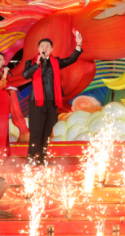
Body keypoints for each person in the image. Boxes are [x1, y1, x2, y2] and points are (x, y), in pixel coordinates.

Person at [22, 30, 82, 164]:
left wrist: (78, 45)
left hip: (53, 100)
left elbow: (71, 59)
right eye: (42, 46)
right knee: (36, 131)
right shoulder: (31, 62)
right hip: (36, 101)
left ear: (52, 49)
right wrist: (37, 64)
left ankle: (42, 158)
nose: (44, 48)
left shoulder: (56, 62)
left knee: (47, 131)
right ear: (38, 49)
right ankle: (30, 159)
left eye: (47, 46)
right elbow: (25, 75)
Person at [0, 51, 30, 156]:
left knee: (3, 130)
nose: (3, 61)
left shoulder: (1, 74)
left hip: (4, 104)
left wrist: (10, 90)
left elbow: (6, 85)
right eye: (0, 59)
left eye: (3, 59)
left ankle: (3, 155)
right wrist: (5, 73)